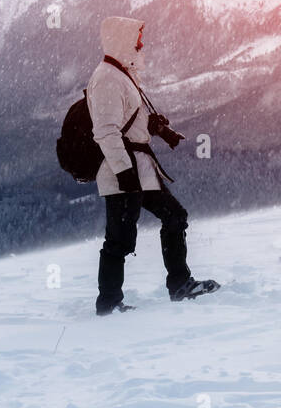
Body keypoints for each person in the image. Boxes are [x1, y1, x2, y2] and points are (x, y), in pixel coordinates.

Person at [88, 16, 219, 314]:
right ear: (123, 40)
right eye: (137, 38)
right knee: (118, 239)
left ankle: (180, 285)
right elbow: (106, 131)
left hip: (140, 170)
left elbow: (129, 120)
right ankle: (108, 304)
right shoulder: (107, 78)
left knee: (174, 216)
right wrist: (124, 172)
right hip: (122, 171)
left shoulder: (122, 73)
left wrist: (159, 130)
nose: (141, 44)